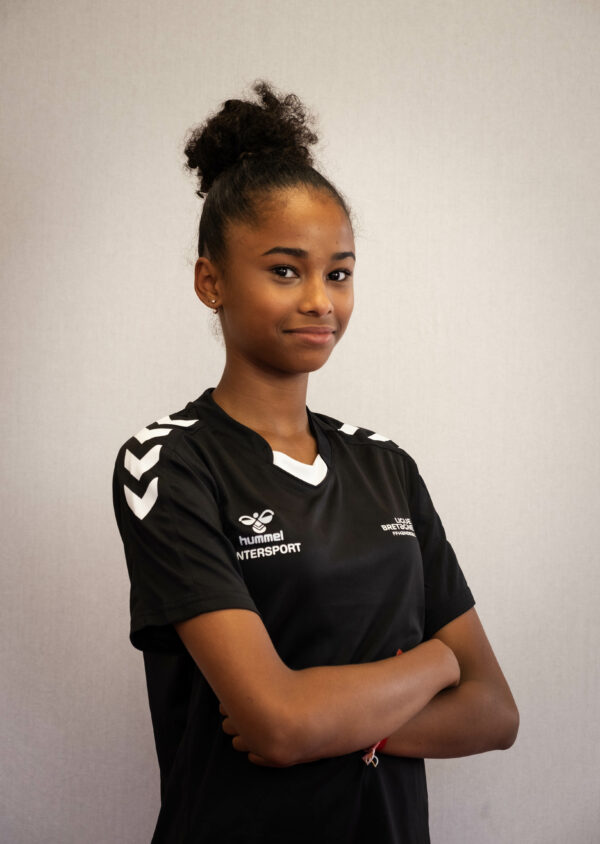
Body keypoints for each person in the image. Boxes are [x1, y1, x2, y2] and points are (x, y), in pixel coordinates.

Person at [112, 81, 519, 844]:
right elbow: (275, 725)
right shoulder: (167, 462)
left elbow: (495, 712)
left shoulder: (387, 466)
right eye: (284, 270)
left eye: (338, 273)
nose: (320, 301)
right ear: (211, 282)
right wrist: (434, 664)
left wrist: (327, 721)